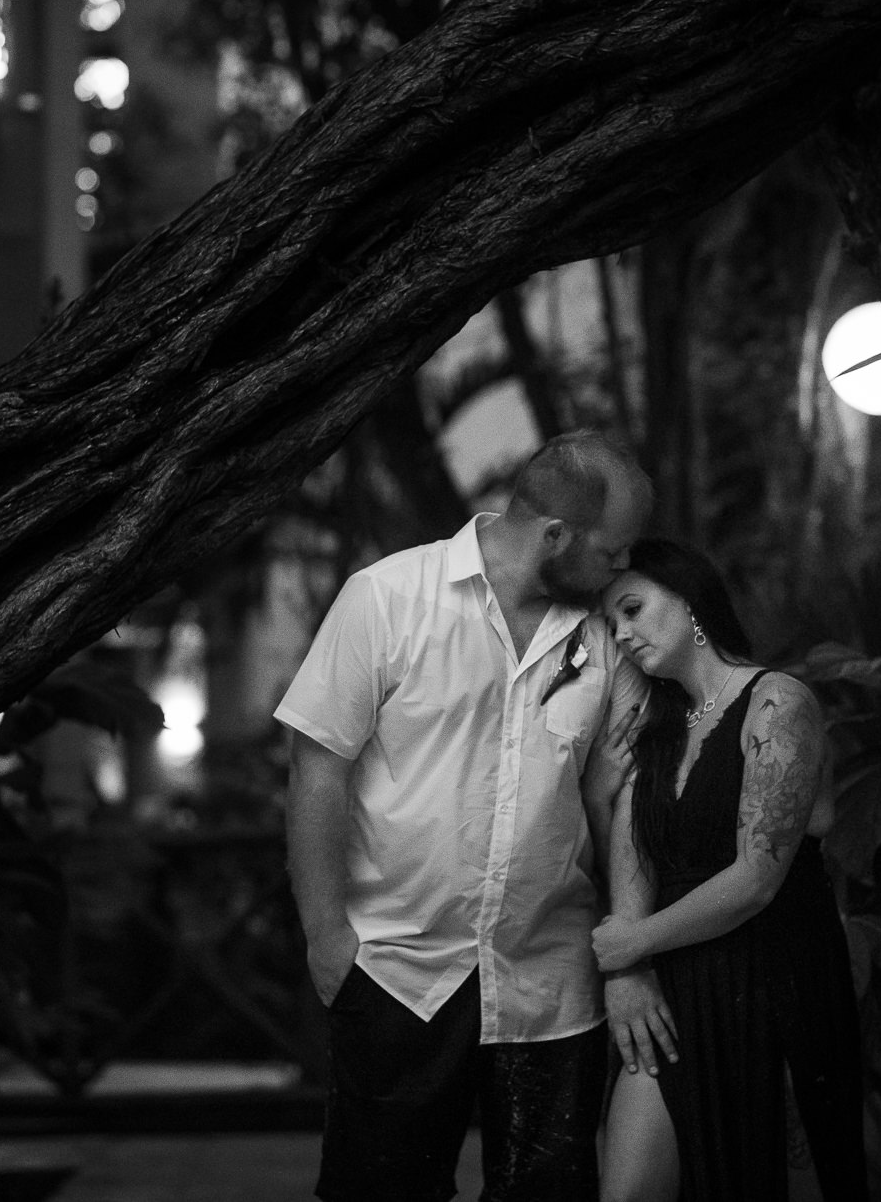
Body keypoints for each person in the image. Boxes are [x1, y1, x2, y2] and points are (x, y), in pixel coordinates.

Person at [277, 430, 656, 1202]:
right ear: (556, 536)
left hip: (552, 983)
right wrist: (326, 939)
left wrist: (628, 953)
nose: (623, 570)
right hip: (395, 973)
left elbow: (619, 803)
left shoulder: (604, 636)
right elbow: (318, 766)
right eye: (613, 552)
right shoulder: (387, 596)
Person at [592, 538, 867, 1202]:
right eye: (612, 625)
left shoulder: (779, 701)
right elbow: (633, 862)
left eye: (632, 609)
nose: (622, 634)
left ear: (688, 597)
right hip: (674, 989)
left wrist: (635, 944)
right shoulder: (652, 730)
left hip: (776, 975)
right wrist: (628, 972)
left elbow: (756, 878)